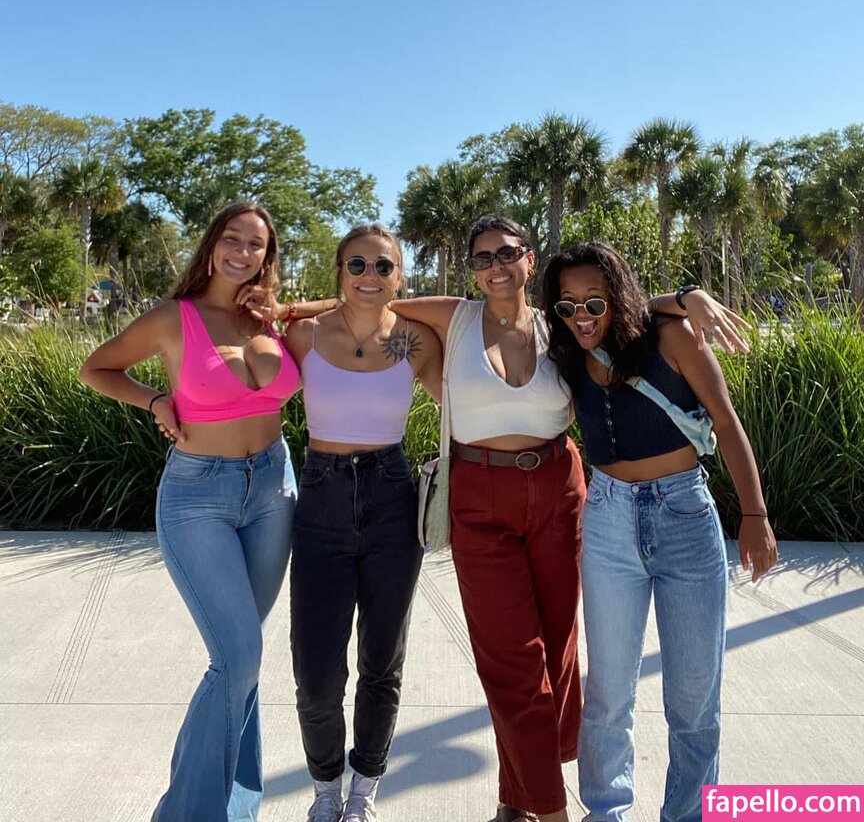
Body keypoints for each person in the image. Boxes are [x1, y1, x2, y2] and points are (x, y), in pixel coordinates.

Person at [383, 216, 748, 822]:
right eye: (482, 257)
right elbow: (373, 301)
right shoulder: (456, 318)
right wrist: (291, 314)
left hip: (561, 489)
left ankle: (517, 797)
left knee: (557, 656)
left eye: (507, 253)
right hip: (479, 493)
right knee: (514, 661)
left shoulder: (561, 327)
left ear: (530, 260)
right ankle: (552, 810)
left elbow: (625, 308)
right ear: (471, 269)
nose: (496, 266)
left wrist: (685, 297)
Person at [540, 241, 778, 822]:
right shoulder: (567, 351)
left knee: (694, 698)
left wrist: (755, 515)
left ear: (617, 295)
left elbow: (726, 422)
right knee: (608, 694)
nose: (581, 316)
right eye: (567, 306)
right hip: (608, 519)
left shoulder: (671, 336)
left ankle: (688, 814)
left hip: (684, 517)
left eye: (594, 302)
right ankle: (606, 811)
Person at [79, 201, 301, 822]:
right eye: (233, 238)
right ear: (211, 244)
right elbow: (96, 368)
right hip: (199, 493)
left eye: (256, 244)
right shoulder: (172, 317)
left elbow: (355, 308)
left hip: (274, 489)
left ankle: (236, 807)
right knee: (238, 656)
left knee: (243, 660)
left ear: (267, 256)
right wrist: (155, 401)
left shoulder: (269, 317)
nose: (242, 252)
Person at [240, 224, 441, 822]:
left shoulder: (409, 341)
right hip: (322, 499)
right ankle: (326, 789)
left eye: (383, 267)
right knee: (316, 667)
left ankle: (363, 791)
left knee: (382, 661)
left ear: (399, 276)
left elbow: (462, 398)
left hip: (392, 497)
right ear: (339, 271)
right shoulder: (305, 335)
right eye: (357, 265)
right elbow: (251, 367)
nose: (369, 277)